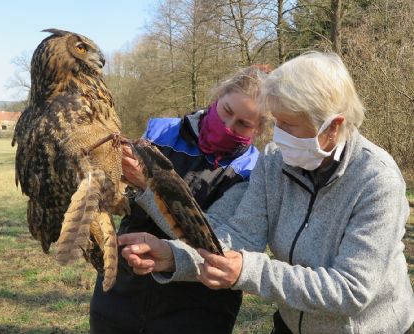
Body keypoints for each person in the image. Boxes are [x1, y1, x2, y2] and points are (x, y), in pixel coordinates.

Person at [119, 52, 414, 334]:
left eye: (289, 126)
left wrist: (250, 271)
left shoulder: (377, 180)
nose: (276, 137)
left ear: (333, 127)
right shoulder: (274, 161)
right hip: (290, 325)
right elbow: (239, 237)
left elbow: (351, 289)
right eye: (276, 123)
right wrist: (173, 255)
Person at [89, 65, 270, 334]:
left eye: (243, 124)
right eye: (227, 112)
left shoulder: (252, 171)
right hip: (124, 286)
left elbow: (213, 238)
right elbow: (122, 197)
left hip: (198, 306)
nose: (228, 126)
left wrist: (146, 186)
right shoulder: (161, 132)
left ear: (258, 129)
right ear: (217, 97)